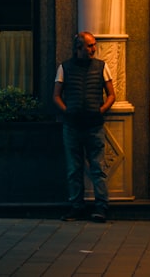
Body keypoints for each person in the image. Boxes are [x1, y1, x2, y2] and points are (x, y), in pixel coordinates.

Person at [53, 31, 115, 222]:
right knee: (74, 168)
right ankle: (76, 207)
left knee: (98, 167)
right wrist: (67, 111)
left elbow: (112, 94)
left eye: (94, 45)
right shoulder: (65, 67)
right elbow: (56, 95)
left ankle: (101, 207)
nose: (93, 49)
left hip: (94, 126)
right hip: (72, 127)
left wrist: (100, 110)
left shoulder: (101, 67)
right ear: (78, 48)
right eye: (89, 46)